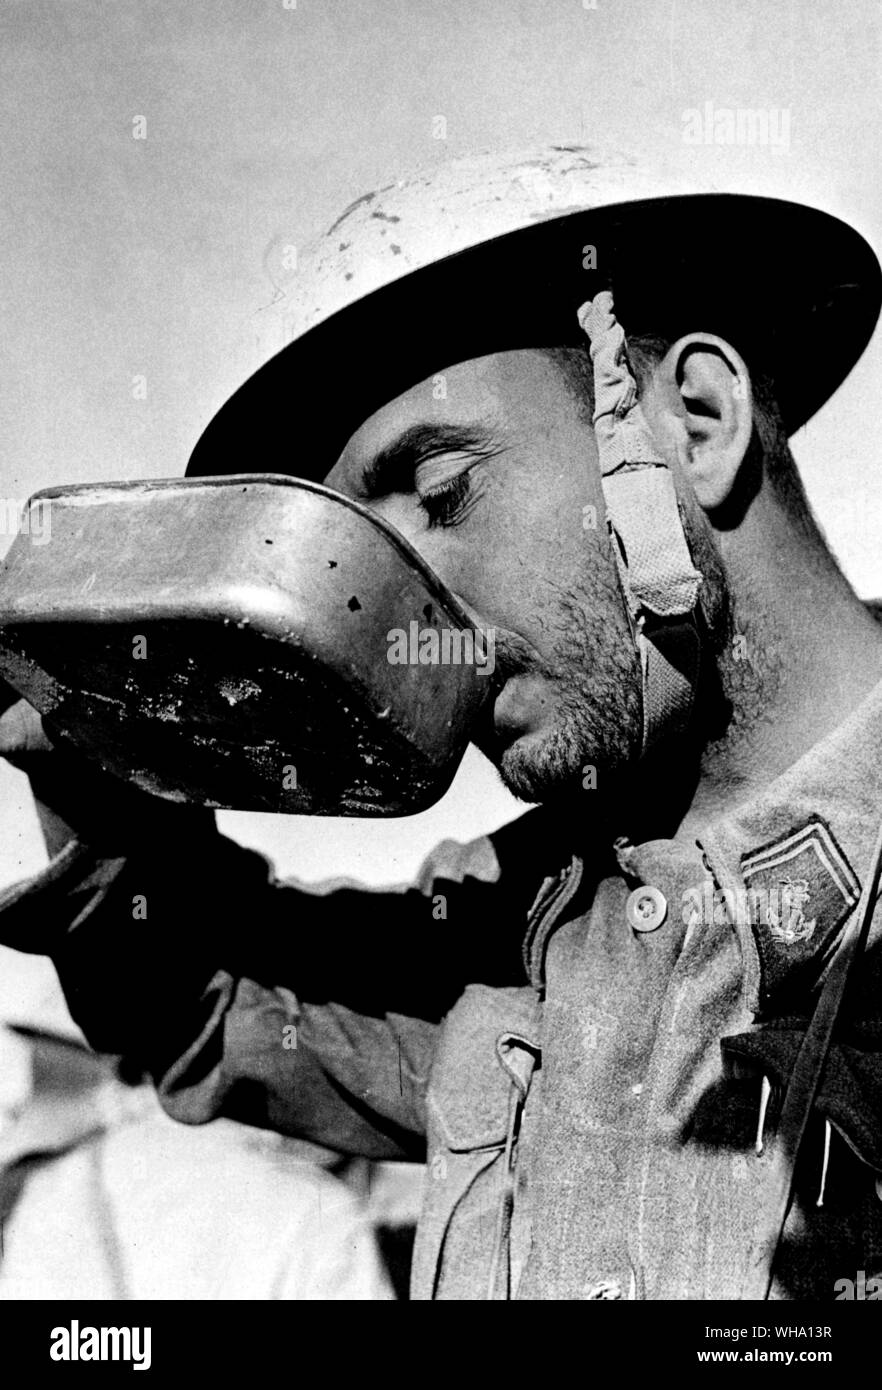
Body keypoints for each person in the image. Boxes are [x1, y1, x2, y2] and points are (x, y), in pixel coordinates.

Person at [2, 146, 882, 1300]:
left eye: (445, 494)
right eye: (372, 572)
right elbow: (214, 1004)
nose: (416, 634)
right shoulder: (515, 933)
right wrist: (103, 763)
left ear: (700, 423)